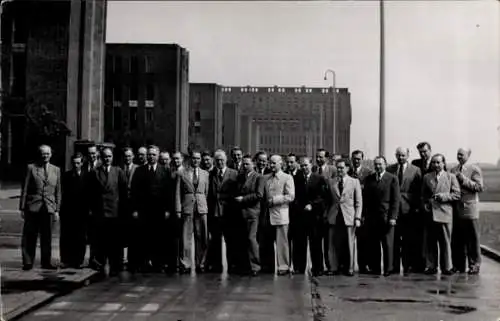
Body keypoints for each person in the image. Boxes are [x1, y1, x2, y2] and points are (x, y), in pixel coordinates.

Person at [131, 145, 175, 273]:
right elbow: (134, 191)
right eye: (149, 154)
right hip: (144, 210)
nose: (151, 157)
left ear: (158, 155)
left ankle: (158, 263)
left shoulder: (165, 171)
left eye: (154, 155)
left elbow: (169, 192)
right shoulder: (140, 170)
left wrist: (168, 210)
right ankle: (144, 262)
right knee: (144, 237)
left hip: (159, 210)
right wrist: (135, 209)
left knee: (159, 237)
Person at [19, 145, 61, 270]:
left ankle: (46, 262)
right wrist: (22, 208)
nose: (45, 156)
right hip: (33, 206)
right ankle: (28, 261)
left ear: (51, 155)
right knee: (29, 235)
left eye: (47, 154)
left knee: (47, 236)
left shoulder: (56, 170)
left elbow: (58, 191)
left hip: (48, 207)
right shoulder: (31, 168)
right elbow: (25, 188)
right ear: (40, 154)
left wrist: (57, 209)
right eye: (43, 153)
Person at [88, 147, 127, 276]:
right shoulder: (95, 172)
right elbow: (91, 193)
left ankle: (116, 264)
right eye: (105, 156)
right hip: (100, 212)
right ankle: (100, 262)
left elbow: (123, 192)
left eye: (109, 156)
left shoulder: (118, 171)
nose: (107, 159)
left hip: (115, 212)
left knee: (115, 241)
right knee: (101, 240)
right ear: (101, 158)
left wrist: (122, 210)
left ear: (113, 157)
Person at [421, 154, 460, 275]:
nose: (436, 165)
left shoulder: (450, 177)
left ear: (443, 163)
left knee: (445, 241)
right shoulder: (427, 177)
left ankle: (447, 267)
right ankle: (431, 266)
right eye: (433, 162)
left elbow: (457, 194)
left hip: (445, 213)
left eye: (438, 162)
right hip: (430, 214)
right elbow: (423, 195)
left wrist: (444, 196)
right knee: (430, 242)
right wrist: (425, 204)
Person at [386, 147, 422, 274]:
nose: (400, 158)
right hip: (394, 210)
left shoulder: (416, 170)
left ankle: (407, 266)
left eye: (403, 155)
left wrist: (416, 207)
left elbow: (419, 192)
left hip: (409, 210)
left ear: (408, 155)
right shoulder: (390, 169)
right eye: (398, 155)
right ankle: (394, 267)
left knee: (408, 240)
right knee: (394, 240)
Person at [363, 156, 400, 276]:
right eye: (376, 164)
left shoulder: (392, 178)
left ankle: (388, 269)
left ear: (385, 164)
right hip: (372, 218)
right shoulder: (369, 179)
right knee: (373, 244)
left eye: (380, 164)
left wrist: (393, 217)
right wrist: (364, 215)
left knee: (388, 244)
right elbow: (366, 199)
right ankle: (376, 268)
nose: (378, 166)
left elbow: (395, 199)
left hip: (387, 217)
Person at [324, 159, 362, 276]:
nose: (339, 170)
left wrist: (357, 217)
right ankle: (333, 267)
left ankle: (349, 268)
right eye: (338, 168)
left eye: (341, 167)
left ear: (347, 168)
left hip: (348, 216)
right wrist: (326, 215)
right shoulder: (331, 182)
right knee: (333, 243)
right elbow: (328, 201)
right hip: (334, 216)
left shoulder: (354, 182)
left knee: (349, 243)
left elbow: (358, 202)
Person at [175, 151, 210, 274]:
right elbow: (178, 193)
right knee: (186, 237)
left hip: (201, 208)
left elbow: (206, 192)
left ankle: (201, 263)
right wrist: (178, 209)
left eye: (198, 158)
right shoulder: (181, 173)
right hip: (187, 207)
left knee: (202, 237)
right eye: (194, 158)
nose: (196, 160)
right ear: (190, 159)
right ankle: (185, 263)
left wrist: (203, 205)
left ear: (201, 160)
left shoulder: (205, 174)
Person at [450, 148, 483, 275]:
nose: (459, 156)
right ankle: (458, 265)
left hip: (470, 209)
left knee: (472, 238)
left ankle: (474, 264)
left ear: (468, 155)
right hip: (457, 209)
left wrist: (463, 179)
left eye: (461, 154)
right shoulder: (453, 169)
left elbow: (479, 187)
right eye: (457, 154)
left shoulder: (474, 169)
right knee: (458, 238)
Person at [294, 157, 327, 276]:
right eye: (302, 165)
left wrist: (312, 205)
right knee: (300, 243)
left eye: (306, 165)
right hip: (301, 216)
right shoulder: (296, 179)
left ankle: (318, 268)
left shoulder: (319, 178)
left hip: (315, 217)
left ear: (311, 165)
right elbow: (295, 196)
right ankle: (299, 267)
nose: (304, 168)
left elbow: (322, 197)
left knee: (316, 243)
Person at [262, 155, 295, 275]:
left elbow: (291, 196)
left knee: (282, 243)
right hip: (267, 215)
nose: (271, 165)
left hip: (281, 214)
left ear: (281, 164)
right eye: (270, 163)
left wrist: (275, 200)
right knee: (267, 242)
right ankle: (268, 266)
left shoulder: (287, 178)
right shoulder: (266, 178)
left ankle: (284, 266)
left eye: (274, 163)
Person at [207, 150, 238, 273]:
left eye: (222, 160)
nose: (220, 162)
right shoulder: (210, 174)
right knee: (215, 239)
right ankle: (216, 265)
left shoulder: (234, 174)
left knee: (230, 240)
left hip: (229, 212)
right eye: (217, 160)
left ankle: (232, 265)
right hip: (214, 211)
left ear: (226, 160)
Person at [234, 154, 265, 276]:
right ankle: (244, 265)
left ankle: (255, 266)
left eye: (247, 164)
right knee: (242, 239)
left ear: (253, 164)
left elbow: (259, 195)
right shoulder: (240, 177)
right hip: (241, 213)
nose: (245, 166)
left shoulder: (259, 177)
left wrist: (243, 199)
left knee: (251, 239)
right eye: (243, 164)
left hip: (252, 212)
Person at [60, 152, 89, 269]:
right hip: (68, 211)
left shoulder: (87, 176)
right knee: (67, 236)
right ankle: (66, 260)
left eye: (78, 163)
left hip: (82, 211)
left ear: (82, 163)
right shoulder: (66, 176)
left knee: (81, 237)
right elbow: (63, 193)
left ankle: (79, 260)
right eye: (74, 163)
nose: (76, 165)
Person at [348, 150, 373, 274]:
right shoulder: (348, 172)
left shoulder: (368, 173)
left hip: (364, 211)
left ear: (362, 159)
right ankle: (348, 265)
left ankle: (364, 265)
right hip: (349, 210)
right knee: (348, 239)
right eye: (354, 159)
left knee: (363, 240)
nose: (356, 161)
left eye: (358, 159)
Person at [121, 147, 138, 271]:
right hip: (122, 205)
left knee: (133, 232)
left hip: (133, 205)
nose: (127, 158)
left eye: (129, 156)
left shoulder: (137, 169)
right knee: (122, 232)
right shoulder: (119, 169)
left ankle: (132, 259)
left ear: (133, 157)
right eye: (125, 156)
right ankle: (122, 258)